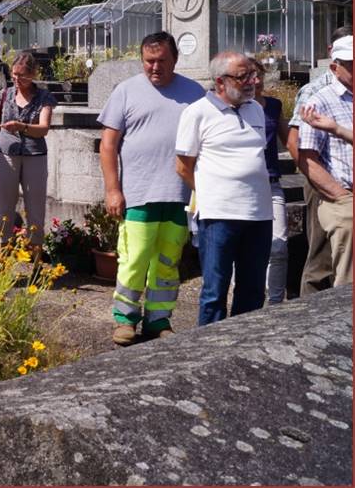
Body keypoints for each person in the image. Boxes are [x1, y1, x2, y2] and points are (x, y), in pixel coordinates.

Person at [98, 31, 204, 346]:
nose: (154, 67)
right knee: (134, 259)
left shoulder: (195, 92)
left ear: (175, 59)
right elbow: (108, 145)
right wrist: (112, 189)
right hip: (138, 195)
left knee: (168, 262)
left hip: (179, 195)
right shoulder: (126, 92)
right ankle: (124, 320)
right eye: (148, 61)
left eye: (161, 61)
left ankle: (158, 319)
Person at [176, 52, 272, 327]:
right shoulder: (196, 113)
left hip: (259, 213)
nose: (251, 81)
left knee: (253, 290)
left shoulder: (255, 109)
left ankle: (242, 348)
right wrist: (212, 192)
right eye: (243, 77)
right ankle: (207, 354)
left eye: (252, 74)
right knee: (214, 291)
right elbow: (183, 166)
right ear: (220, 81)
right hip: (219, 214)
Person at [286, 26, 352, 296]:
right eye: (351, 64)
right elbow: (302, 152)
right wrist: (341, 196)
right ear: (335, 67)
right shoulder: (317, 98)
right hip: (336, 190)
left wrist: (337, 129)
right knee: (324, 259)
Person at [0, 52, 56, 253]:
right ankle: (3, 250)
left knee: (35, 205)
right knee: (4, 203)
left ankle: (36, 253)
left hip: (34, 155)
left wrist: (21, 126)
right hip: (5, 153)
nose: (16, 79)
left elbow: (44, 128)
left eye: (21, 75)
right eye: (13, 74)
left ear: (33, 74)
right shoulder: (4, 94)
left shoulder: (44, 97)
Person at [251, 58, 290, 304]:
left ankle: (275, 303)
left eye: (259, 75)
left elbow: (290, 141)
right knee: (243, 250)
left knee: (278, 247)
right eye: (250, 76)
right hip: (244, 187)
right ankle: (245, 300)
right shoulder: (234, 107)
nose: (256, 81)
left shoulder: (273, 106)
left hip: (271, 182)